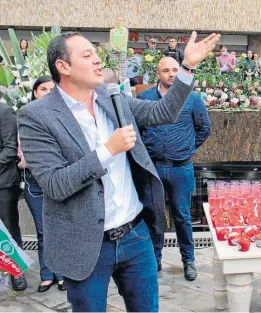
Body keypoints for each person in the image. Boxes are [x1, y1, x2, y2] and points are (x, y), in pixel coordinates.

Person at [17, 31, 219, 312]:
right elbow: (55, 184)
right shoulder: (36, 116)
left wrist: (187, 68)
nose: (98, 60)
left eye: (96, 53)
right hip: (85, 244)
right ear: (63, 66)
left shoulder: (111, 97)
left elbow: (162, 113)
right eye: (87, 55)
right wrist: (108, 150)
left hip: (135, 236)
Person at [138, 57, 211, 280]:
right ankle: (155, 259)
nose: (171, 74)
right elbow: (138, 128)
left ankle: (188, 260)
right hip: (153, 169)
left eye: (175, 70)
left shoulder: (192, 98)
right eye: (166, 71)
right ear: (157, 74)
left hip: (181, 168)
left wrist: (187, 148)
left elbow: (204, 128)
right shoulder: (145, 97)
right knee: (153, 216)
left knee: (183, 216)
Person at [17, 75, 65, 293]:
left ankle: (63, 274)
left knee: (62, 230)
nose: (47, 92)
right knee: (43, 231)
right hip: (35, 183)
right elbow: (21, 155)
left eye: (51, 89)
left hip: (61, 181)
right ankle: (47, 274)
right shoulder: (25, 118)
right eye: (42, 89)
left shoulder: (63, 116)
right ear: (35, 92)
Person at [0, 92, 25, 292]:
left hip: (4, 182)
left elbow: (10, 149)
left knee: (8, 228)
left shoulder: (5, 111)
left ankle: (16, 271)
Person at [109, 16, 129, 83]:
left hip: (122, 50)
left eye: (120, 20)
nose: (119, 21)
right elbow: (110, 41)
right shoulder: (112, 30)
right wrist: (114, 48)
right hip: (113, 50)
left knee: (122, 67)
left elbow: (125, 40)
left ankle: (122, 82)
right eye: (117, 20)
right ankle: (115, 81)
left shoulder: (125, 30)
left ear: (122, 22)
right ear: (115, 21)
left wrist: (118, 48)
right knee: (114, 66)